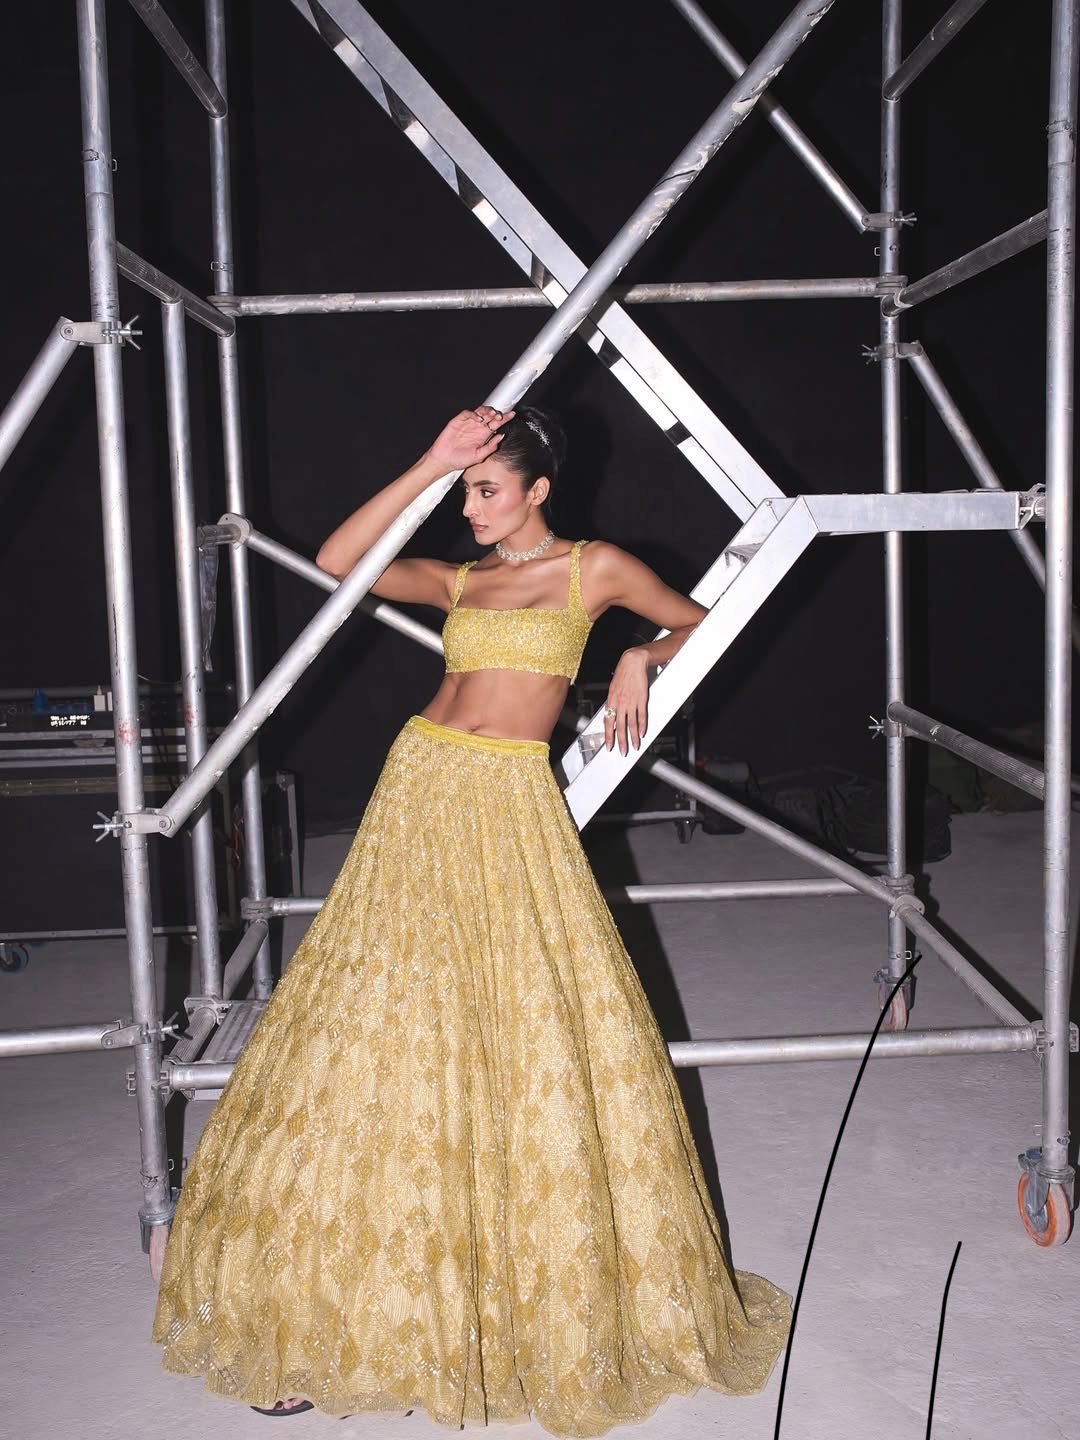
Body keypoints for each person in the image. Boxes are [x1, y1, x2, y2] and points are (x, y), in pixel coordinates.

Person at [150, 404, 793, 1433]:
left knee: (520, 1024)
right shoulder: (461, 579)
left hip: (510, 800)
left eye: (487, 489)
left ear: (540, 490)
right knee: (375, 1027)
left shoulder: (595, 569)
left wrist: (640, 655)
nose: (471, 507)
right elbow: (337, 561)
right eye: (466, 491)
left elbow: (705, 622)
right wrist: (432, 461)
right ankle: (323, 1311)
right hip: (418, 784)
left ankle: (496, 1295)